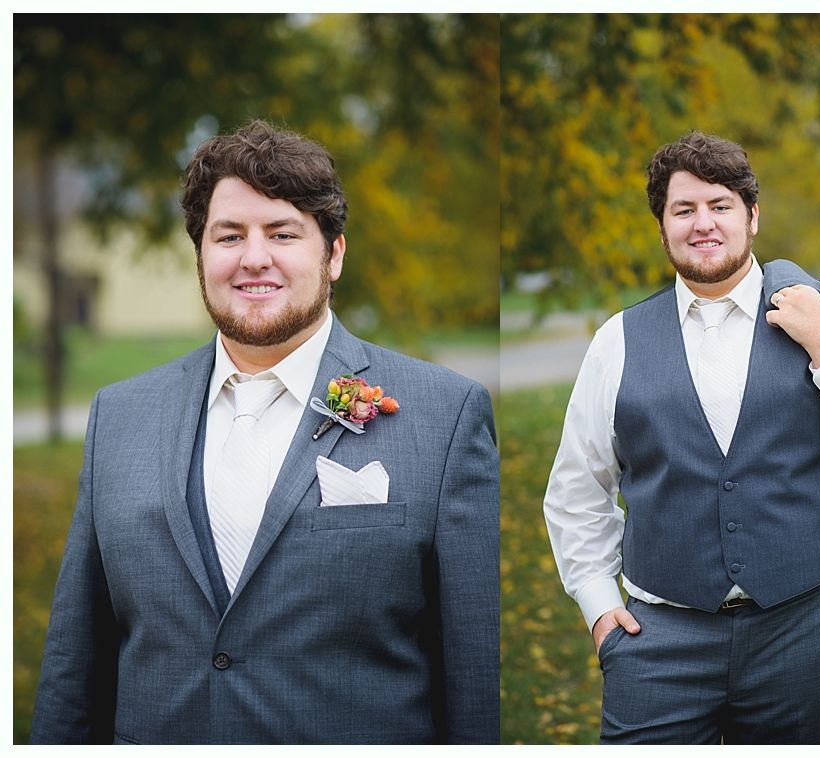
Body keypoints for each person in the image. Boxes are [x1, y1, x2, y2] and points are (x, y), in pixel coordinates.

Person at [30, 120, 499, 745]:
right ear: (200, 255)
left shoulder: (445, 416)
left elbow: (472, 668)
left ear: (333, 254)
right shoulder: (119, 416)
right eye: (229, 236)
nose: (254, 257)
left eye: (283, 233)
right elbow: (74, 661)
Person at [543, 130, 820, 744]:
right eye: (684, 209)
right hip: (660, 643)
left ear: (752, 216)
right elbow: (577, 488)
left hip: (807, 631)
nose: (704, 223)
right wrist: (599, 608)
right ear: (663, 225)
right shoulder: (617, 341)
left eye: (720, 206)